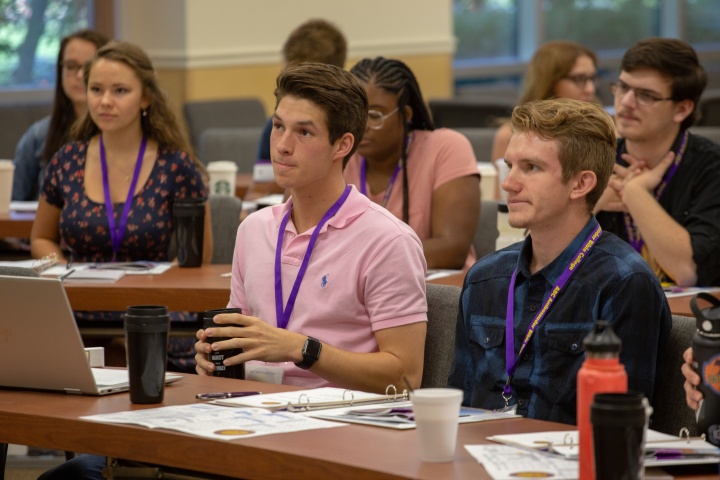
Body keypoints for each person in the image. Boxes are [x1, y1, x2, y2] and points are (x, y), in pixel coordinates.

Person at [449, 98, 671, 425]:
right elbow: (458, 406)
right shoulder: (486, 277)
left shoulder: (623, 283)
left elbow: (619, 427)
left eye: (532, 168)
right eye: (511, 166)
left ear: (581, 184)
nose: (509, 183)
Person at [30, 40, 212, 369]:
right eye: (96, 89)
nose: (105, 102)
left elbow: (198, 257)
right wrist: (58, 272)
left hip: (152, 309)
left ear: (145, 98)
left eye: (120, 91)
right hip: (79, 308)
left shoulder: (177, 166)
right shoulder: (66, 161)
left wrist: (160, 288)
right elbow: (41, 237)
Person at [594, 38, 720, 287]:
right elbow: (538, 258)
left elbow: (688, 273)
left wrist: (635, 193)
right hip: (601, 316)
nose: (627, 102)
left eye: (646, 95)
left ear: (681, 109)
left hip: (686, 321)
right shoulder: (594, 158)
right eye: (622, 87)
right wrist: (591, 204)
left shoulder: (711, 168)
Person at [344, 57, 480, 269]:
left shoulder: (446, 147)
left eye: (374, 115)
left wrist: (358, 259)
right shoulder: (341, 155)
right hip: (356, 292)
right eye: (353, 113)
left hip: (437, 292)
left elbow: (452, 251)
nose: (362, 125)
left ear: (405, 114)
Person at [248, 18, 347, 200]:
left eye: (304, 132)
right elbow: (256, 193)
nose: (283, 145)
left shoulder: (351, 130)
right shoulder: (272, 127)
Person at [12, 29, 110, 201]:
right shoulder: (38, 135)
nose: (80, 75)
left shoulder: (122, 133)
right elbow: (12, 204)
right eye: (71, 66)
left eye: (89, 67)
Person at [490, 41, 599, 168]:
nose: (590, 89)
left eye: (592, 79)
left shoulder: (605, 131)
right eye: (579, 79)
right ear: (551, 82)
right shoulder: (510, 135)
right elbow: (504, 186)